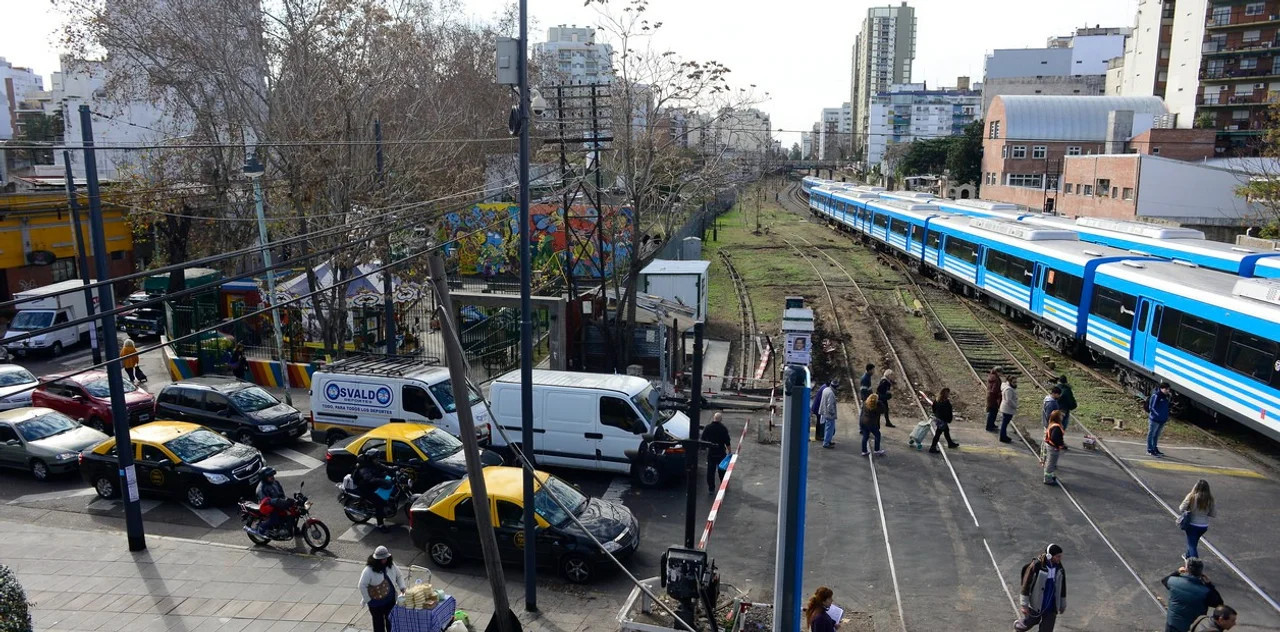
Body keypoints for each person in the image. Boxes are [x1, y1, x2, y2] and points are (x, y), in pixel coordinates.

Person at [1015, 544, 1067, 632]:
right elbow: (1026, 585)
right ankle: (1020, 625)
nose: (1060, 558)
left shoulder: (1059, 568)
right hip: (1037, 603)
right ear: (1050, 556)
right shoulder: (1037, 565)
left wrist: (1062, 604)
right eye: (1058, 556)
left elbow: (1062, 587)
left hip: (1051, 605)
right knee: (1032, 621)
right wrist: (1024, 605)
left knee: (1047, 629)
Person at [1162, 558, 1223, 632]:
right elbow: (1219, 604)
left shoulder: (1173, 581)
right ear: (1201, 572)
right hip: (1193, 626)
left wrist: (1177, 572)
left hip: (1173, 624)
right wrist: (1209, 585)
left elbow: (1164, 580)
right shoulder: (1206, 592)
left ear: (1186, 569)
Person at [358, 545, 406, 632]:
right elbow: (362, 585)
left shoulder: (391, 565)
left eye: (385, 558)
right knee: (378, 625)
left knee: (391, 622)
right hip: (375, 604)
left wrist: (402, 587)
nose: (384, 560)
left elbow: (399, 576)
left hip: (390, 601)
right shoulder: (368, 570)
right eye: (382, 559)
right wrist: (368, 599)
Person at [353, 450, 396, 531]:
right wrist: (383, 481)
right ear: (371, 458)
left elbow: (382, 466)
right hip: (366, 487)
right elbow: (370, 479)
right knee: (380, 503)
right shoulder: (364, 468)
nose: (377, 459)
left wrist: (393, 469)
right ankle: (380, 525)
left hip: (372, 484)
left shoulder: (373, 463)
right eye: (376, 458)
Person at [249, 467, 294, 536]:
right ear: (264, 477)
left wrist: (285, 500)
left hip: (278, 502)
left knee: (293, 511)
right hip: (267, 507)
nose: (272, 477)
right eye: (270, 476)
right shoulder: (261, 488)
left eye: (272, 475)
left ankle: (293, 529)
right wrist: (278, 502)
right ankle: (262, 527)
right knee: (275, 519)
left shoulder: (275, 482)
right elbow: (266, 501)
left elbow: (281, 494)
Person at [1179, 479, 1216, 561]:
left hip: (1192, 524)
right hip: (1203, 526)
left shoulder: (1191, 496)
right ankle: (1187, 556)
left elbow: (1181, 508)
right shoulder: (1210, 499)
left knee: (1192, 545)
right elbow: (1213, 514)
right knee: (1193, 542)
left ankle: (1195, 565)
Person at [703, 412, 731, 494]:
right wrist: (729, 451)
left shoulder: (708, 428)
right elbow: (727, 441)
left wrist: (705, 448)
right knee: (722, 470)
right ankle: (723, 486)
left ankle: (711, 488)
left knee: (710, 471)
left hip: (711, 452)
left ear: (713, 418)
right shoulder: (723, 428)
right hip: (721, 452)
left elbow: (703, 439)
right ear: (721, 419)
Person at [928, 387, 960, 453]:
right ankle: (933, 447)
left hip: (938, 419)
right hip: (943, 420)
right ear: (945, 393)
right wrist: (949, 419)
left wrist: (936, 414)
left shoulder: (937, 400)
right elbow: (948, 411)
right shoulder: (945, 402)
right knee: (938, 433)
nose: (948, 394)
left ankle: (950, 443)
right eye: (948, 393)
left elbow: (933, 408)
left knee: (946, 431)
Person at [1043, 411, 1068, 486]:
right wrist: (1061, 444)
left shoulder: (1052, 424)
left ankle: (1050, 476)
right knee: (1051, 463)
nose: (1062, 417)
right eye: (1060, 416)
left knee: (1050, 462)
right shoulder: (1056, 427)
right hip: (1053, 447)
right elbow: (1055, 438)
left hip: (1050, 445)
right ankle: (1048, 479)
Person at [1148, 382, 1173, 457]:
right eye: (1166, 389)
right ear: (1162, 388)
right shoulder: (1156, 395)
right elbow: (1151, 407)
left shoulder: (1166, 396)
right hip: (1155, 419)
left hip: (1162, 419)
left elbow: (1167, 407)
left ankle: (1155, 448)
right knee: (1151, 434)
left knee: (1156, 435)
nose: (1168, 391)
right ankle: (1150, 449)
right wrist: (1157, 415)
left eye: (1168, 389)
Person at [999, 375, 1020, 444]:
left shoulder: (1007, 387)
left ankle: (1003, 436)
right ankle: (1003, 437)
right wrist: (1015, 406)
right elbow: (1009, 400)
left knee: (1005, 423)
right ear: (1010, 382)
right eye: (1014, 382)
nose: (1015, 384)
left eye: (1016, 382)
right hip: (1007, 409)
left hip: (1006, 408)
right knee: (1004, 424)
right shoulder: (1009, 389)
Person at [819, 380, 839, 449]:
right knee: (829, 429)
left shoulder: (826, 389)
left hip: (824, 412)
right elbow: (830, 406)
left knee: (827, 428)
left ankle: (828, 440)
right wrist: (833, 413)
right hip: (829, 414)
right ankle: (826, 443)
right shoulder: (831, 393)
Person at [986, 367, 1003, 432]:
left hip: (991, 396)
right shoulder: (995, 379)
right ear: (998, 372)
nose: (1001, 374)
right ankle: (989, 426)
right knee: (992, 412)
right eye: (1001, 372)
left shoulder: (992, 376)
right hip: (993, 397)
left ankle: (991, 424)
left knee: (993, 411)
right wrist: (999, 394)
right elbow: (994, 389)